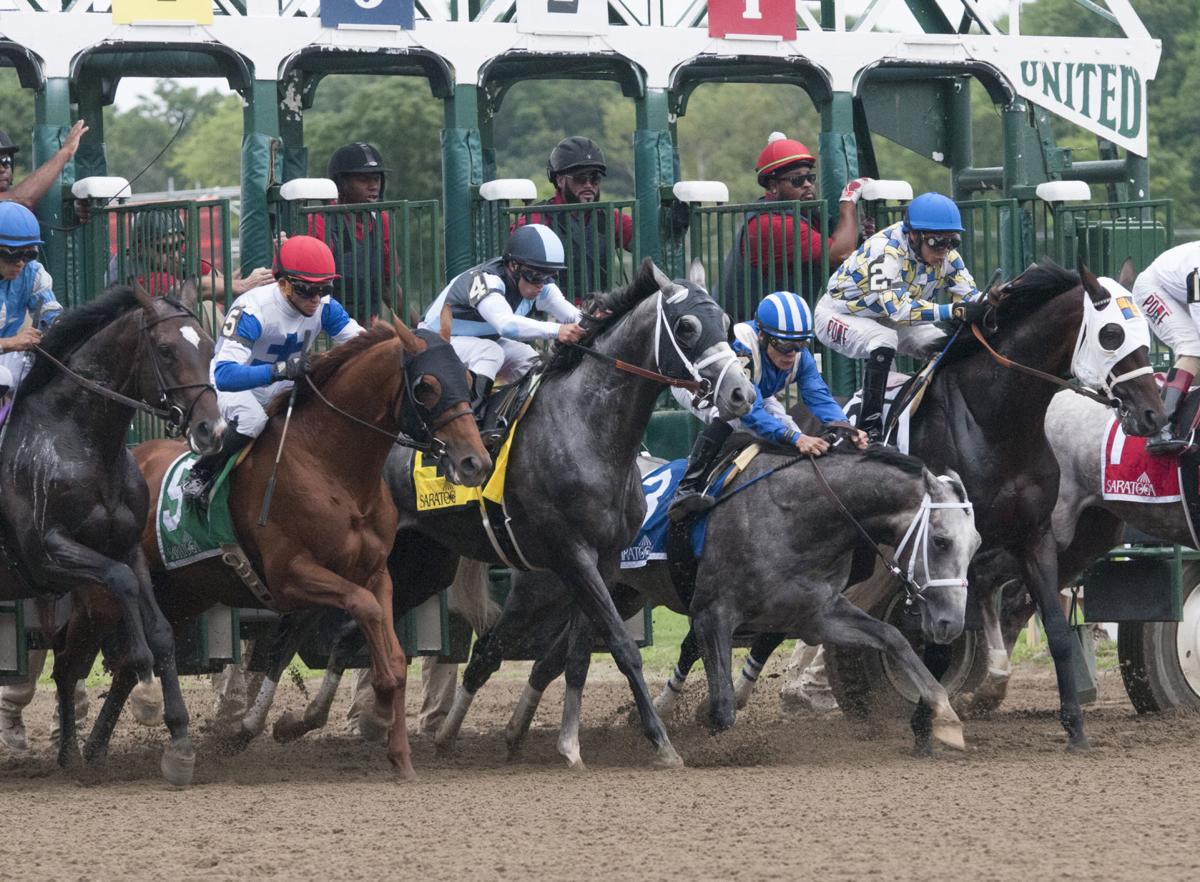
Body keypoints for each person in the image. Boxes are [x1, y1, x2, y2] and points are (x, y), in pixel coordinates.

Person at [179, 235, 366, 504]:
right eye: (305, 289)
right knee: (254, 420)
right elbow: (224, 375)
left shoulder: (325, 308)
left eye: (323, 289)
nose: (315, 299)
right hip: (239, 387)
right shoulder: (252, 309)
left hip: (283, 382)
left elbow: (362, 343)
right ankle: (201, 472)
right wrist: (279, 370)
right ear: (283, 284)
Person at [668, 291, 868, 520]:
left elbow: (818, 396)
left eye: (800, 344)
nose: (792, 354)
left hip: (755, 391)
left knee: (791, 428)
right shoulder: (742, 346)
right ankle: (687, 486)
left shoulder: (800, 356)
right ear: (761, 334)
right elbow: (750, 413)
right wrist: (795, 439)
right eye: (783, 345)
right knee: (732, 415)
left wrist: (845, 426)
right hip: (704, 385)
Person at [815, 191, 984, 443]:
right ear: (914, 236)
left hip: (886, 316)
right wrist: (952, 310)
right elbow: (899, 310)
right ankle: (870, 428)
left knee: (943, 345)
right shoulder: (885, 251)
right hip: (839, 315)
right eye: (937, 242)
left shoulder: (948, 257)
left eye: (953, 242)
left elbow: (970, 296)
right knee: (884, 339)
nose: (945, 250)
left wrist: (995, 299)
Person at [0, 202, 75, 751]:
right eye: (13, 256)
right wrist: (12, 342)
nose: (21, 264)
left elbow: (51, 310)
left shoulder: (32, 271)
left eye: (27, 255)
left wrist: (50, 328)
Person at [419, 224, 584, 431]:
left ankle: (527, 426)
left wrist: (597, 320)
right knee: (491, 352)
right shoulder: (487, 280)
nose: (541, 284)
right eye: (535, 276)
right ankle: (474, 424)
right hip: (435, 343)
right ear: (513, 266)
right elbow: (506, 325)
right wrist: (557, 330)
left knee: (529, 360)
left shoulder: (540, 285)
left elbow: (573, 316)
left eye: (549, 275)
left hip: (474, 342)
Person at [720, 132, 872, 322]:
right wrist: (848, 201)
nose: (808, 184)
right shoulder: (771, 224)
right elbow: (840, 254)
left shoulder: (804, 214)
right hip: (744, 334)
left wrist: (865, 238)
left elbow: (844, 253)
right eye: (797, 180)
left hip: (779, 329)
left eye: (810, 177)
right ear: (773, 186)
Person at [517, 136, 634, 300]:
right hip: (553, 315)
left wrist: (669, 223)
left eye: (595, 179)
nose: (588, 185)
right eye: (580, 178)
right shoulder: (538, 218)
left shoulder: (609, 217)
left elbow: (646, 239)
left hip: (603, 312)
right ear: (560, 180)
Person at [105, 207, 272, 304]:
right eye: (164, 248)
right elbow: (185, 290)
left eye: (178, 245)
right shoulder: (134, 274)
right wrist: (243, 285)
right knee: (204, 307)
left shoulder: (180, 258)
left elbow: (225, 284)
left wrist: (267, 251)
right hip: (143, 354)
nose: (175, 254)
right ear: (140, 249)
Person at [307, 142, 393, 324]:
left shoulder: (381, 219)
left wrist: (422, 328)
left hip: (367, 329)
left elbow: (388, 286)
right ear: (341, 184)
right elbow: (309, 289)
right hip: (325, 330)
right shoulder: (320, 221)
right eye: (363, 180)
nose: (373, 186)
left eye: (376, 179)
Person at [1130, 241, 1200, 454]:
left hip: (1180, 291)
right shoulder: (1198, 273)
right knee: (1193, 347)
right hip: (1153, 288)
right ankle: (1161, 428)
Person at [0, 120, 88, 211]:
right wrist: (66, 151)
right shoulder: (20, 199)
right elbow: (21, 199)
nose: (2, 169)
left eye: (5, 161)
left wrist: (79, 212)